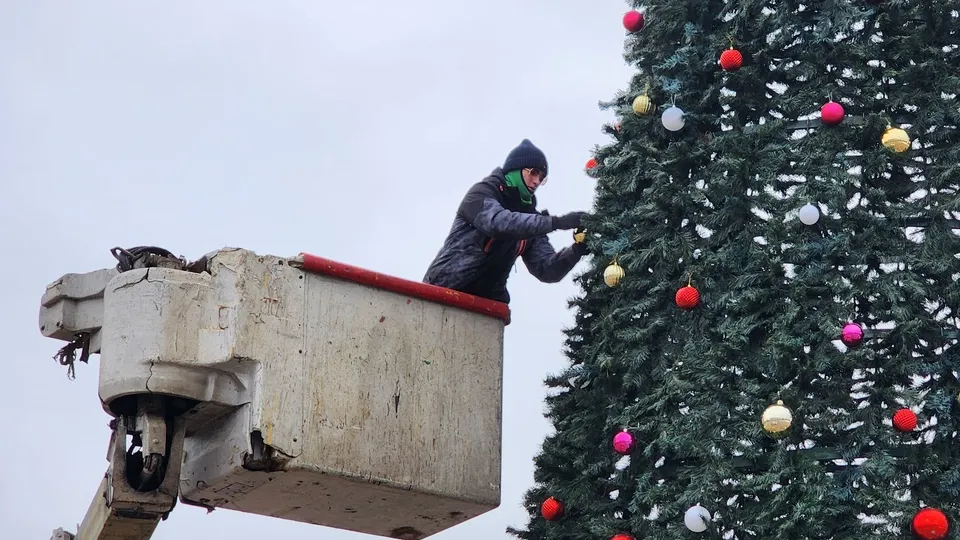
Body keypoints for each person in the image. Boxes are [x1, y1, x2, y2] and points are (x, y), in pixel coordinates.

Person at [423, 139, 590, 307]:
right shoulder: (482, 194)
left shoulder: (531, 220)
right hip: (442, 292)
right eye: (533, 172)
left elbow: (546, 269)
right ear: (515, 170)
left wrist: (577, 249)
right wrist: (557, 222)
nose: (537, 181)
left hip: (487, 306)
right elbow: (498, 223)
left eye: (542, 177)